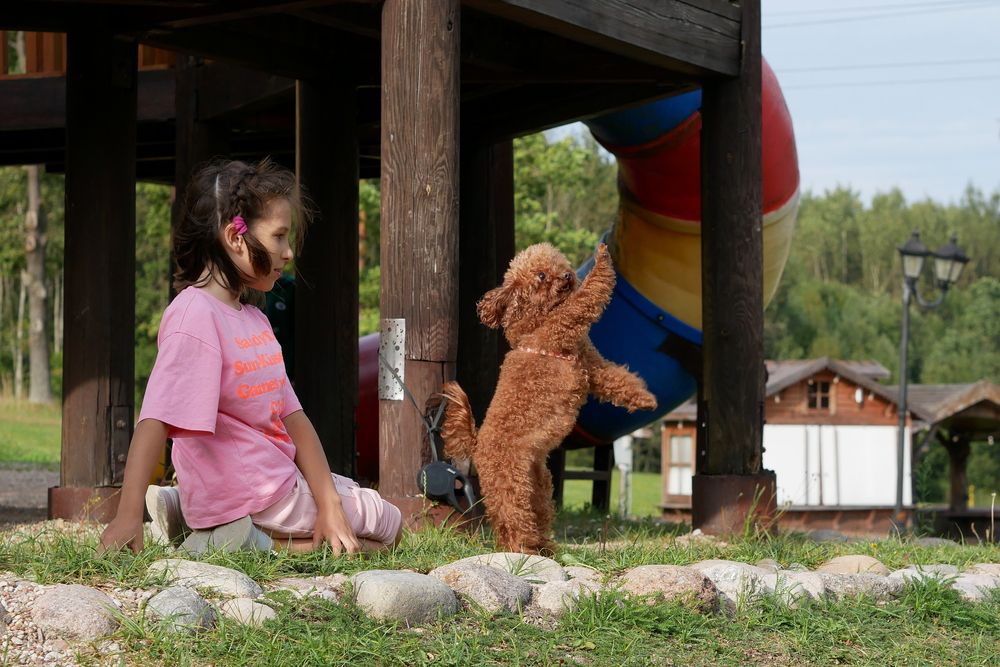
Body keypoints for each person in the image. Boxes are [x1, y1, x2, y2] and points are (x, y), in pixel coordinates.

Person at [99, 158, 402, 556]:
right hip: (262, 496)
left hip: (262, 490)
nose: (288, 252)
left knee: (342, 512)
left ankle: (206, 523)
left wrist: (329, 502)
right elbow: (154, 419)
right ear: (235, 238)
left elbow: (294, 420)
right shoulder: (195, 316)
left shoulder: (253, 320)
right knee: (390, 526)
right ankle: (233, 537)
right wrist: (127, 515)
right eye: (278, 236)